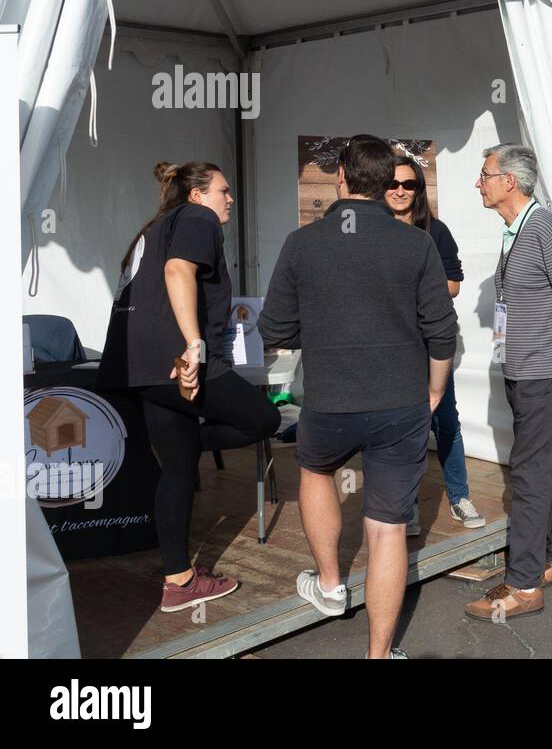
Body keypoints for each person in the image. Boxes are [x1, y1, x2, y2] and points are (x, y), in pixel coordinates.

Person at [259, 134, 457, 659]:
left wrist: (324, 328)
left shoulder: (303, 243)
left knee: (317, 471)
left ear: (341, 177)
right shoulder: (416, 244)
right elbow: (442, 332)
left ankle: (328, 586)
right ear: (385, 182)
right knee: (388, 529)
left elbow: (275, 326)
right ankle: (377, 654)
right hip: (401, 400)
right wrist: (435, 390)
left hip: (330, 399)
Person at [97, 162, 279, 613]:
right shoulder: (196, 219)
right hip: (177, 362)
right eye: (223, 190)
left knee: (176, 468)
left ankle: (179, 582)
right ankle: (194, 440)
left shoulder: (153, 228)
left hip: (138, 365)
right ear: (197, 195)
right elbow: (179, 272)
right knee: (264, 418)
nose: (230, 199)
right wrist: (194, 345)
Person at [464, 144, 552, 622]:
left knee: (528, 473)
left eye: (484, 175)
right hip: (524, 371)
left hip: (544, 372)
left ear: (510, 182)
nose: (478, 183)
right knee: (548, 463)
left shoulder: (544, 227)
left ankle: (523, 585)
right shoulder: (514, 231)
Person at [385, 155, 485, 532]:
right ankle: (406, 504)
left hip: (431, 345)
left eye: (408, 184)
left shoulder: (435, 230)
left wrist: (411, 283)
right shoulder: (373, 231)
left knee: (445, 421)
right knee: (400, 427)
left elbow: (454, 284)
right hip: (389, 346)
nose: (399, 190)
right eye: (393, 184)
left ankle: (459, 496)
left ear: (419, 191)